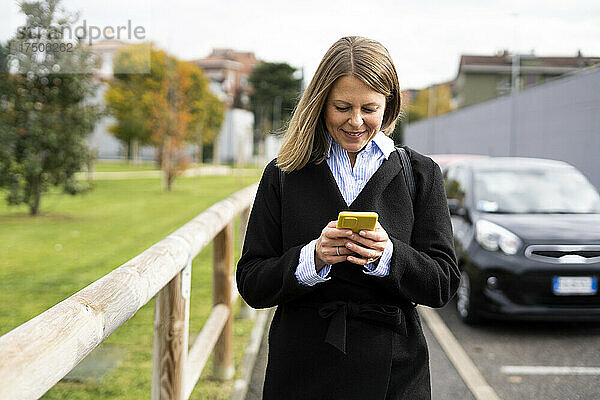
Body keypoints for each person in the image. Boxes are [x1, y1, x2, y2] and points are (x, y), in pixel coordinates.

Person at [236, 36, 460, 400]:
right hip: (300, 370)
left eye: (369, 109)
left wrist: (388, 256)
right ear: (321, 103)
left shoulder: (420, 173)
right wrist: (312, 258)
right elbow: (252, 283)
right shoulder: (284, 173)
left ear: (388, 107)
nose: (356, 122)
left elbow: (443, 283)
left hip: (395, 374)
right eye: (342, 107)